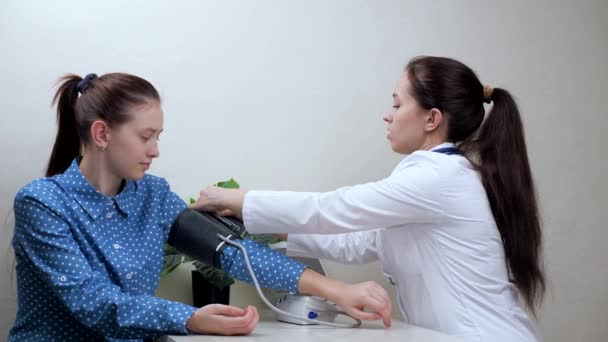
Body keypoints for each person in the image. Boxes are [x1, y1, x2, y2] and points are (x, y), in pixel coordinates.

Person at [9, 73, 391, 341]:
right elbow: (93, 303)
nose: (155, 151)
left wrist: (336, 290)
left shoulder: (153, 195)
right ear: (102, 133)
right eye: (145, 137)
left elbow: (235, 253)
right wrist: (190, 318)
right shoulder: (42, 203)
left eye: (158, 137)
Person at [192, 56, 546, 341]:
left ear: (431, 119)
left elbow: (336, 207)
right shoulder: (433, 177)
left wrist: (241, 199)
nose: (387, 114)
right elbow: (361, 243)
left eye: (397, 103)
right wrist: (276, 227)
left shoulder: (438, 178)